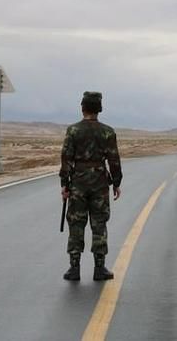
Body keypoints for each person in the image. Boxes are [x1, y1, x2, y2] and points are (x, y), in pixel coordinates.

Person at [59, 91, 123, 281]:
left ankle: (74, 268)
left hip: (78, 182)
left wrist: (64, 184)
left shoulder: (73, 131)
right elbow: (114, 160)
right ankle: (99, 268)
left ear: (83, 107)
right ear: (99, 109)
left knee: (76, 223)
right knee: (99, 223)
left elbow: (66, 159)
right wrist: (116, 183)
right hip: (100, 183)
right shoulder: (107, 132)